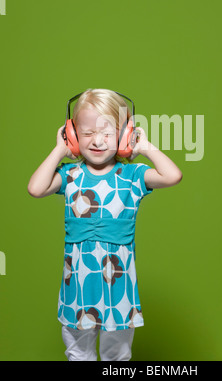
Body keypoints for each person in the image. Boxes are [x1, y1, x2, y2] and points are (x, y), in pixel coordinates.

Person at [27, 88, 182, 361]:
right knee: (78, 351)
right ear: (73, 135)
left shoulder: (133, 175)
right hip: (78, 285)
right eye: (86, 133)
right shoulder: (70, 174)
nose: (97, 141)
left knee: (118, 354)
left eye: (108, 133)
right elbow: (36, 188)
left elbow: (172, 176)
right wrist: (60, 149)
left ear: (123, 136)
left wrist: (143, 146)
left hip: (118, 284)